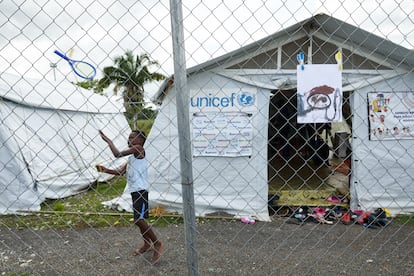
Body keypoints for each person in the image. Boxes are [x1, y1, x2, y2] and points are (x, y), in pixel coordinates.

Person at [96, 130, 163, 263]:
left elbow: (117, 154)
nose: (129, 139)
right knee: (140, 220)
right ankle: (146, 244)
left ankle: (157, 243)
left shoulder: (139, 149)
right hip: (135, 191)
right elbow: (119, 172)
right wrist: (104, 170)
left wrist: (109, 141)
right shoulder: (132, 157)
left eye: (133, 137)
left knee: (139, 220)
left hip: (141, 191)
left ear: (141, 141)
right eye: (129, 137)